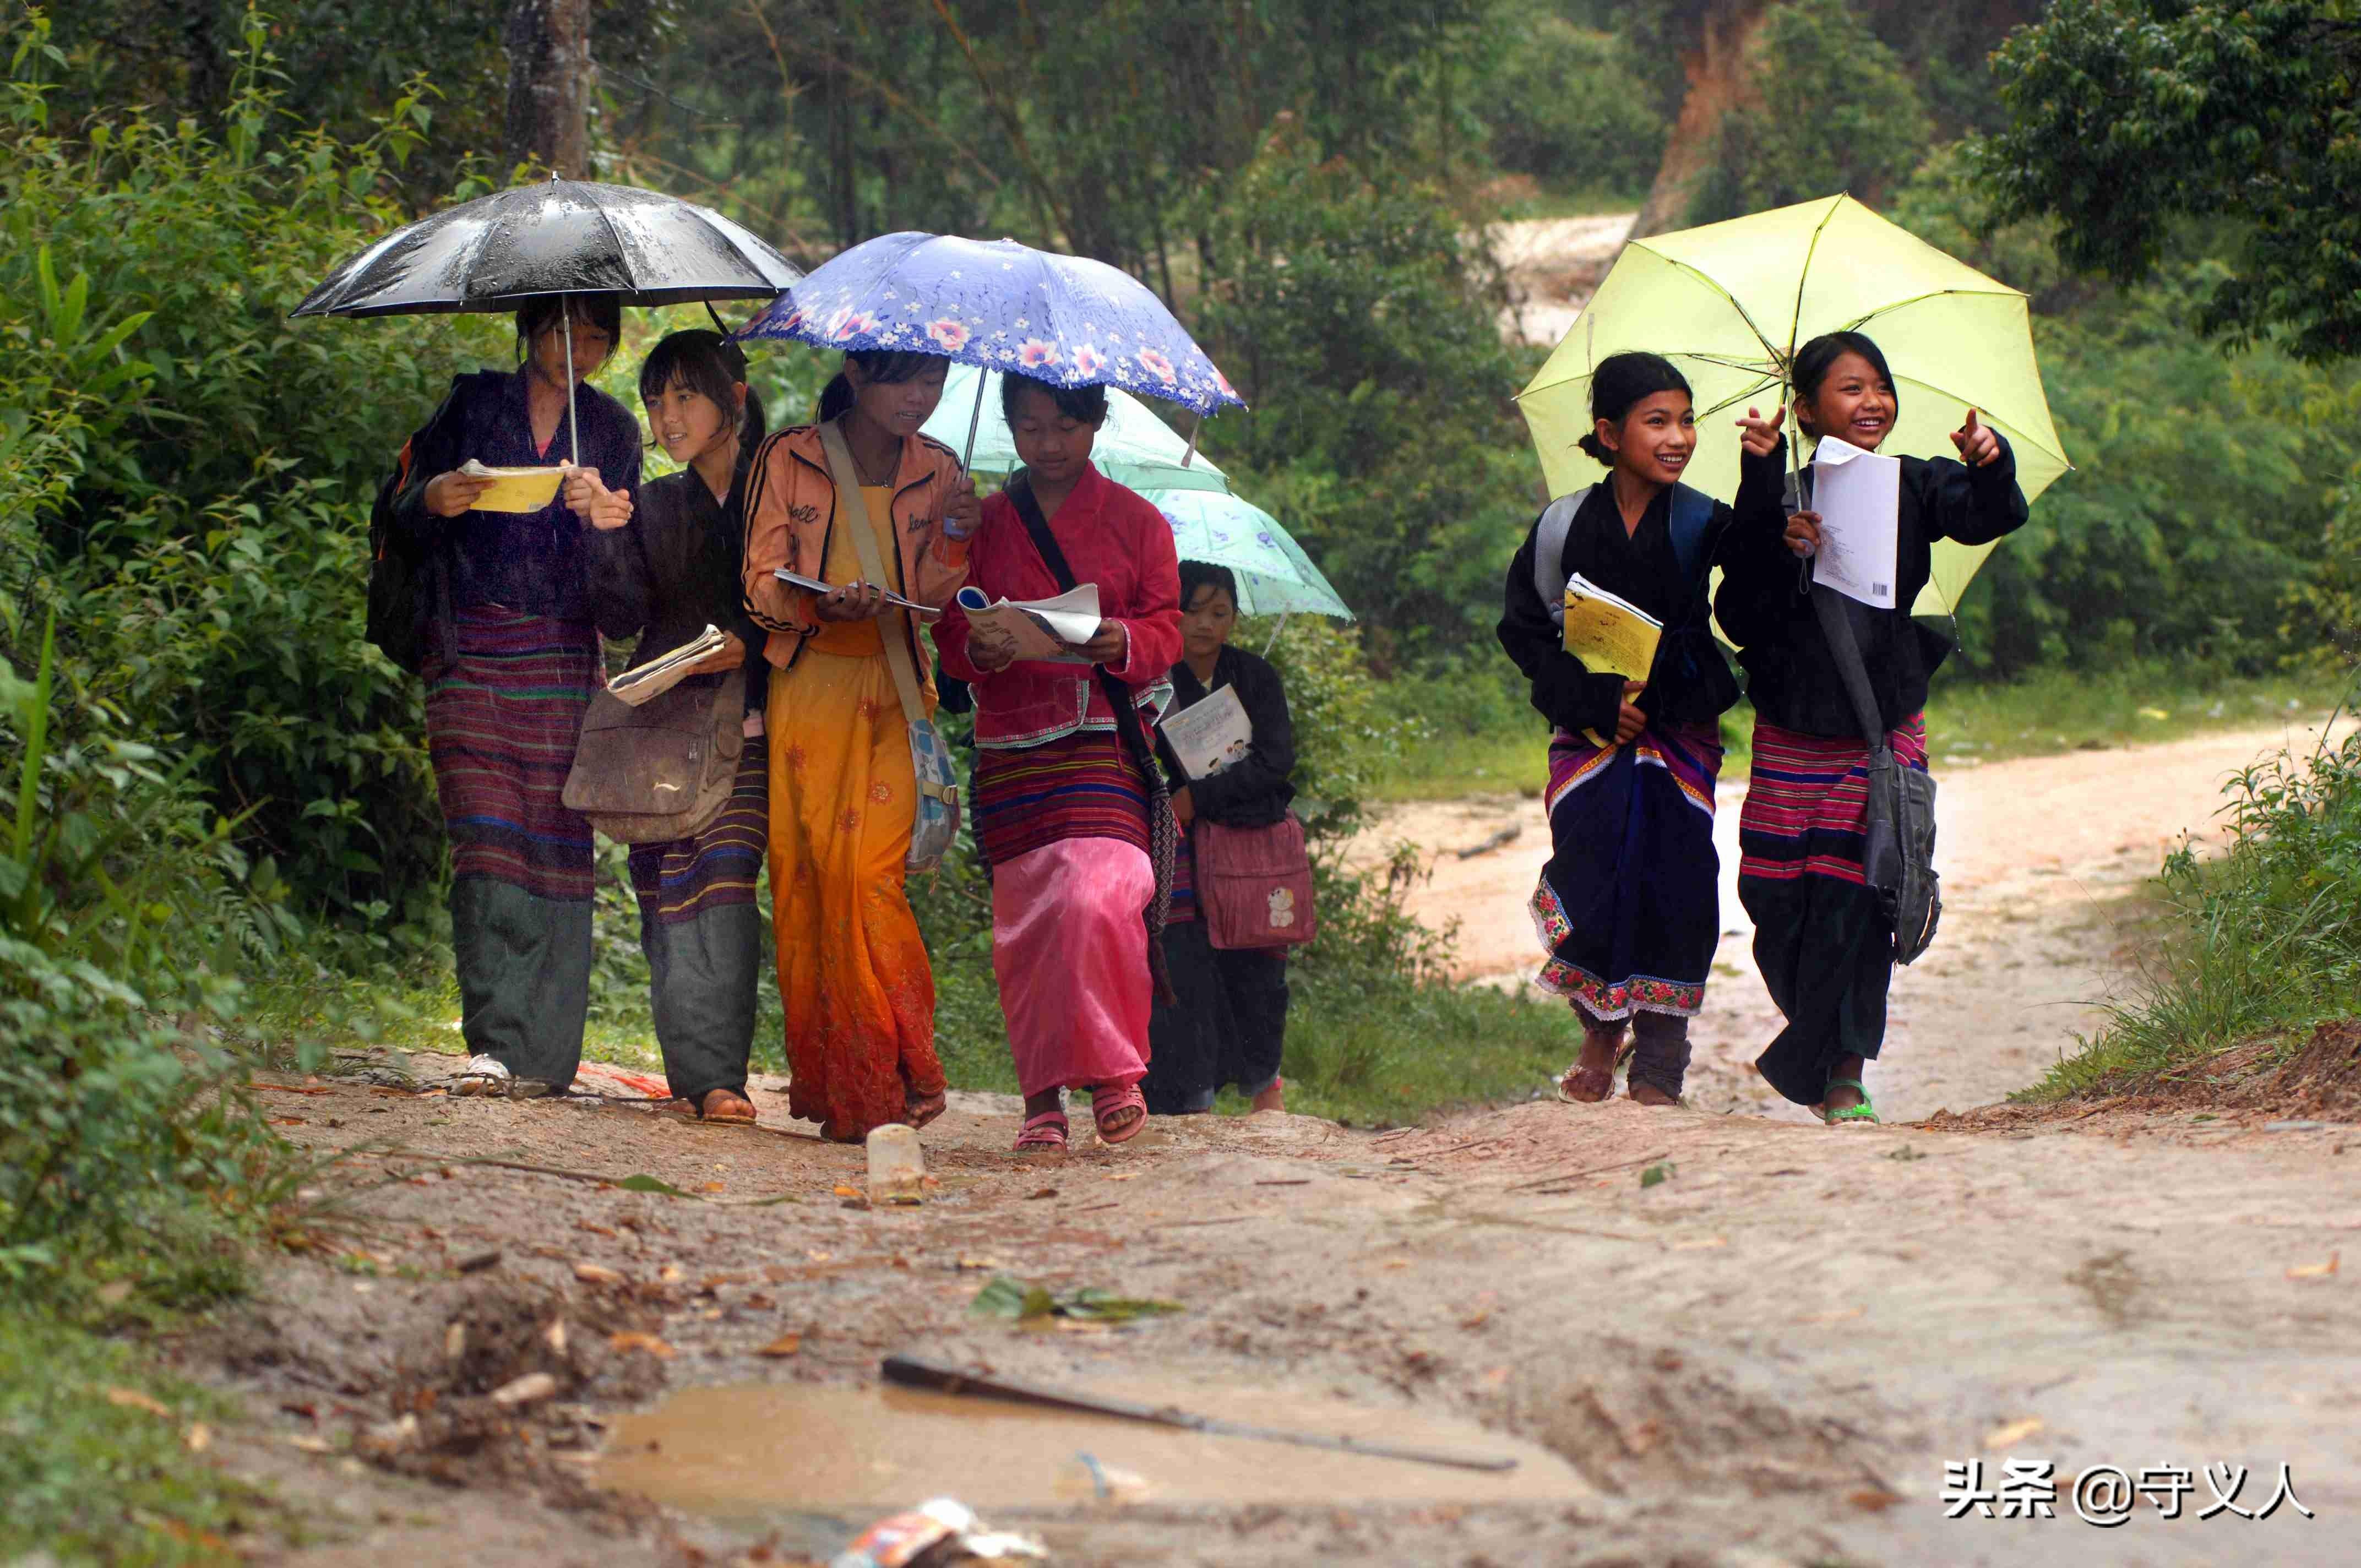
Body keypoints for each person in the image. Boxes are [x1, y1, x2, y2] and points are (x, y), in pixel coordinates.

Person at [1720, 330, 2028, 1124]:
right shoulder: (1775, 493)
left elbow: (1988, 514)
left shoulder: (1917, 484)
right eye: (1851, 390)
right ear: (1804, 411)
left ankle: (1845, 1074)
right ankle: (1816, 1038)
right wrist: (1770, 522)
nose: (1873, 403)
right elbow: (1739, 614)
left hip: (1879, 728)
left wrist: (1989, 460)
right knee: (1777, 897)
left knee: (1863, 898)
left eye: (1880, 388)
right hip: (1792, 729)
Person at [393, 294, 642, 1098]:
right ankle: (494, 1040)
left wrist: (602, 519)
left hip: (563, 653)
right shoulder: (471, 404)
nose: (581, 348)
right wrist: (434, 499)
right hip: (468, 645)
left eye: (599, 336)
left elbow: (628, 570)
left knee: (555, 843)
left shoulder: (610, 429)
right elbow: (397, 506)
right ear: (531, 329)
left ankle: (548, 1054)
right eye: (565, 330)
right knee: (486, 837)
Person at [934, 373, 1182, 1153]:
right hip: (1012, 743)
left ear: (1097, 424)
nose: (1048, 444)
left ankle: (1113, 1073)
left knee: (1103, 889)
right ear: (1009, 424)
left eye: (1065, 427)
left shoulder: (1141, 522)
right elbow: (950, 630)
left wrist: (1127, 642)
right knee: (1030, 920)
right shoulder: (983, 522)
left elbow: (1166, 623)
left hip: (1105, 737)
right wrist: (978, 644)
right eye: (1031, 427)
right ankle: (1041, 1097)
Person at [739, 349, 978, 1142]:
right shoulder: (791, 454)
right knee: (810, 883)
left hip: (899, 690)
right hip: (810, 687)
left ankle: (905, 1070)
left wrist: (957, 541)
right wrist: (821, 607)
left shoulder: (942, 471)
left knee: (868, 878)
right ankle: (848, 1089)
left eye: (934, 384)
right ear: (855, 374)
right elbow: (759, 580)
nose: (920, 398)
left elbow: (946, 599)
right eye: (903, 380)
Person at [1497, 351, 1740, 1107]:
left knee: (1678, 880)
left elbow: (1756, 600)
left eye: (1688, 420)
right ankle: (1601, 1026)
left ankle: (1662, 1055)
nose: (1680, 438)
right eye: (1658, 422)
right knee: (1592, 872)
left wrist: (1775, 509)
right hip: (1593, 741)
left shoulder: (1705, 519)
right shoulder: (1562, 523)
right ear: (1608, 431)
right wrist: (1593, 702)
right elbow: (1525, 628)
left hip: (1678, 737)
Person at [564, 329, 770, 1125]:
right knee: (665, 888)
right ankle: (697, 1072)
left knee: (723, 879)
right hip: (663, 729)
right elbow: (621, 619)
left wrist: (748, 645)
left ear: (736, 399)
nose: (667, 415)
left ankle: (722, 1078)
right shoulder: (654, 502)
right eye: (655, 398)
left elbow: (794, 600)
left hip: (754, 725)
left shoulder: (781, 491)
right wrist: (606, 534)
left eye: (687, 395)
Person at [1141, 563, 1298, 1117]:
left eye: (1219, 612)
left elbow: (1276, 762)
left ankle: (1265, 1086)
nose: (1205, 624)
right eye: (1193, 609)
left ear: (1234, 618)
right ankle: (1192, 1090)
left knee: (1259, 960)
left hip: (1252, 843)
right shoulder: (1154, 683)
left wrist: (1200, 798)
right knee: (1186, 961)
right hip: (1181, 848)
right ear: (1170, 611)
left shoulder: (1256, 677)